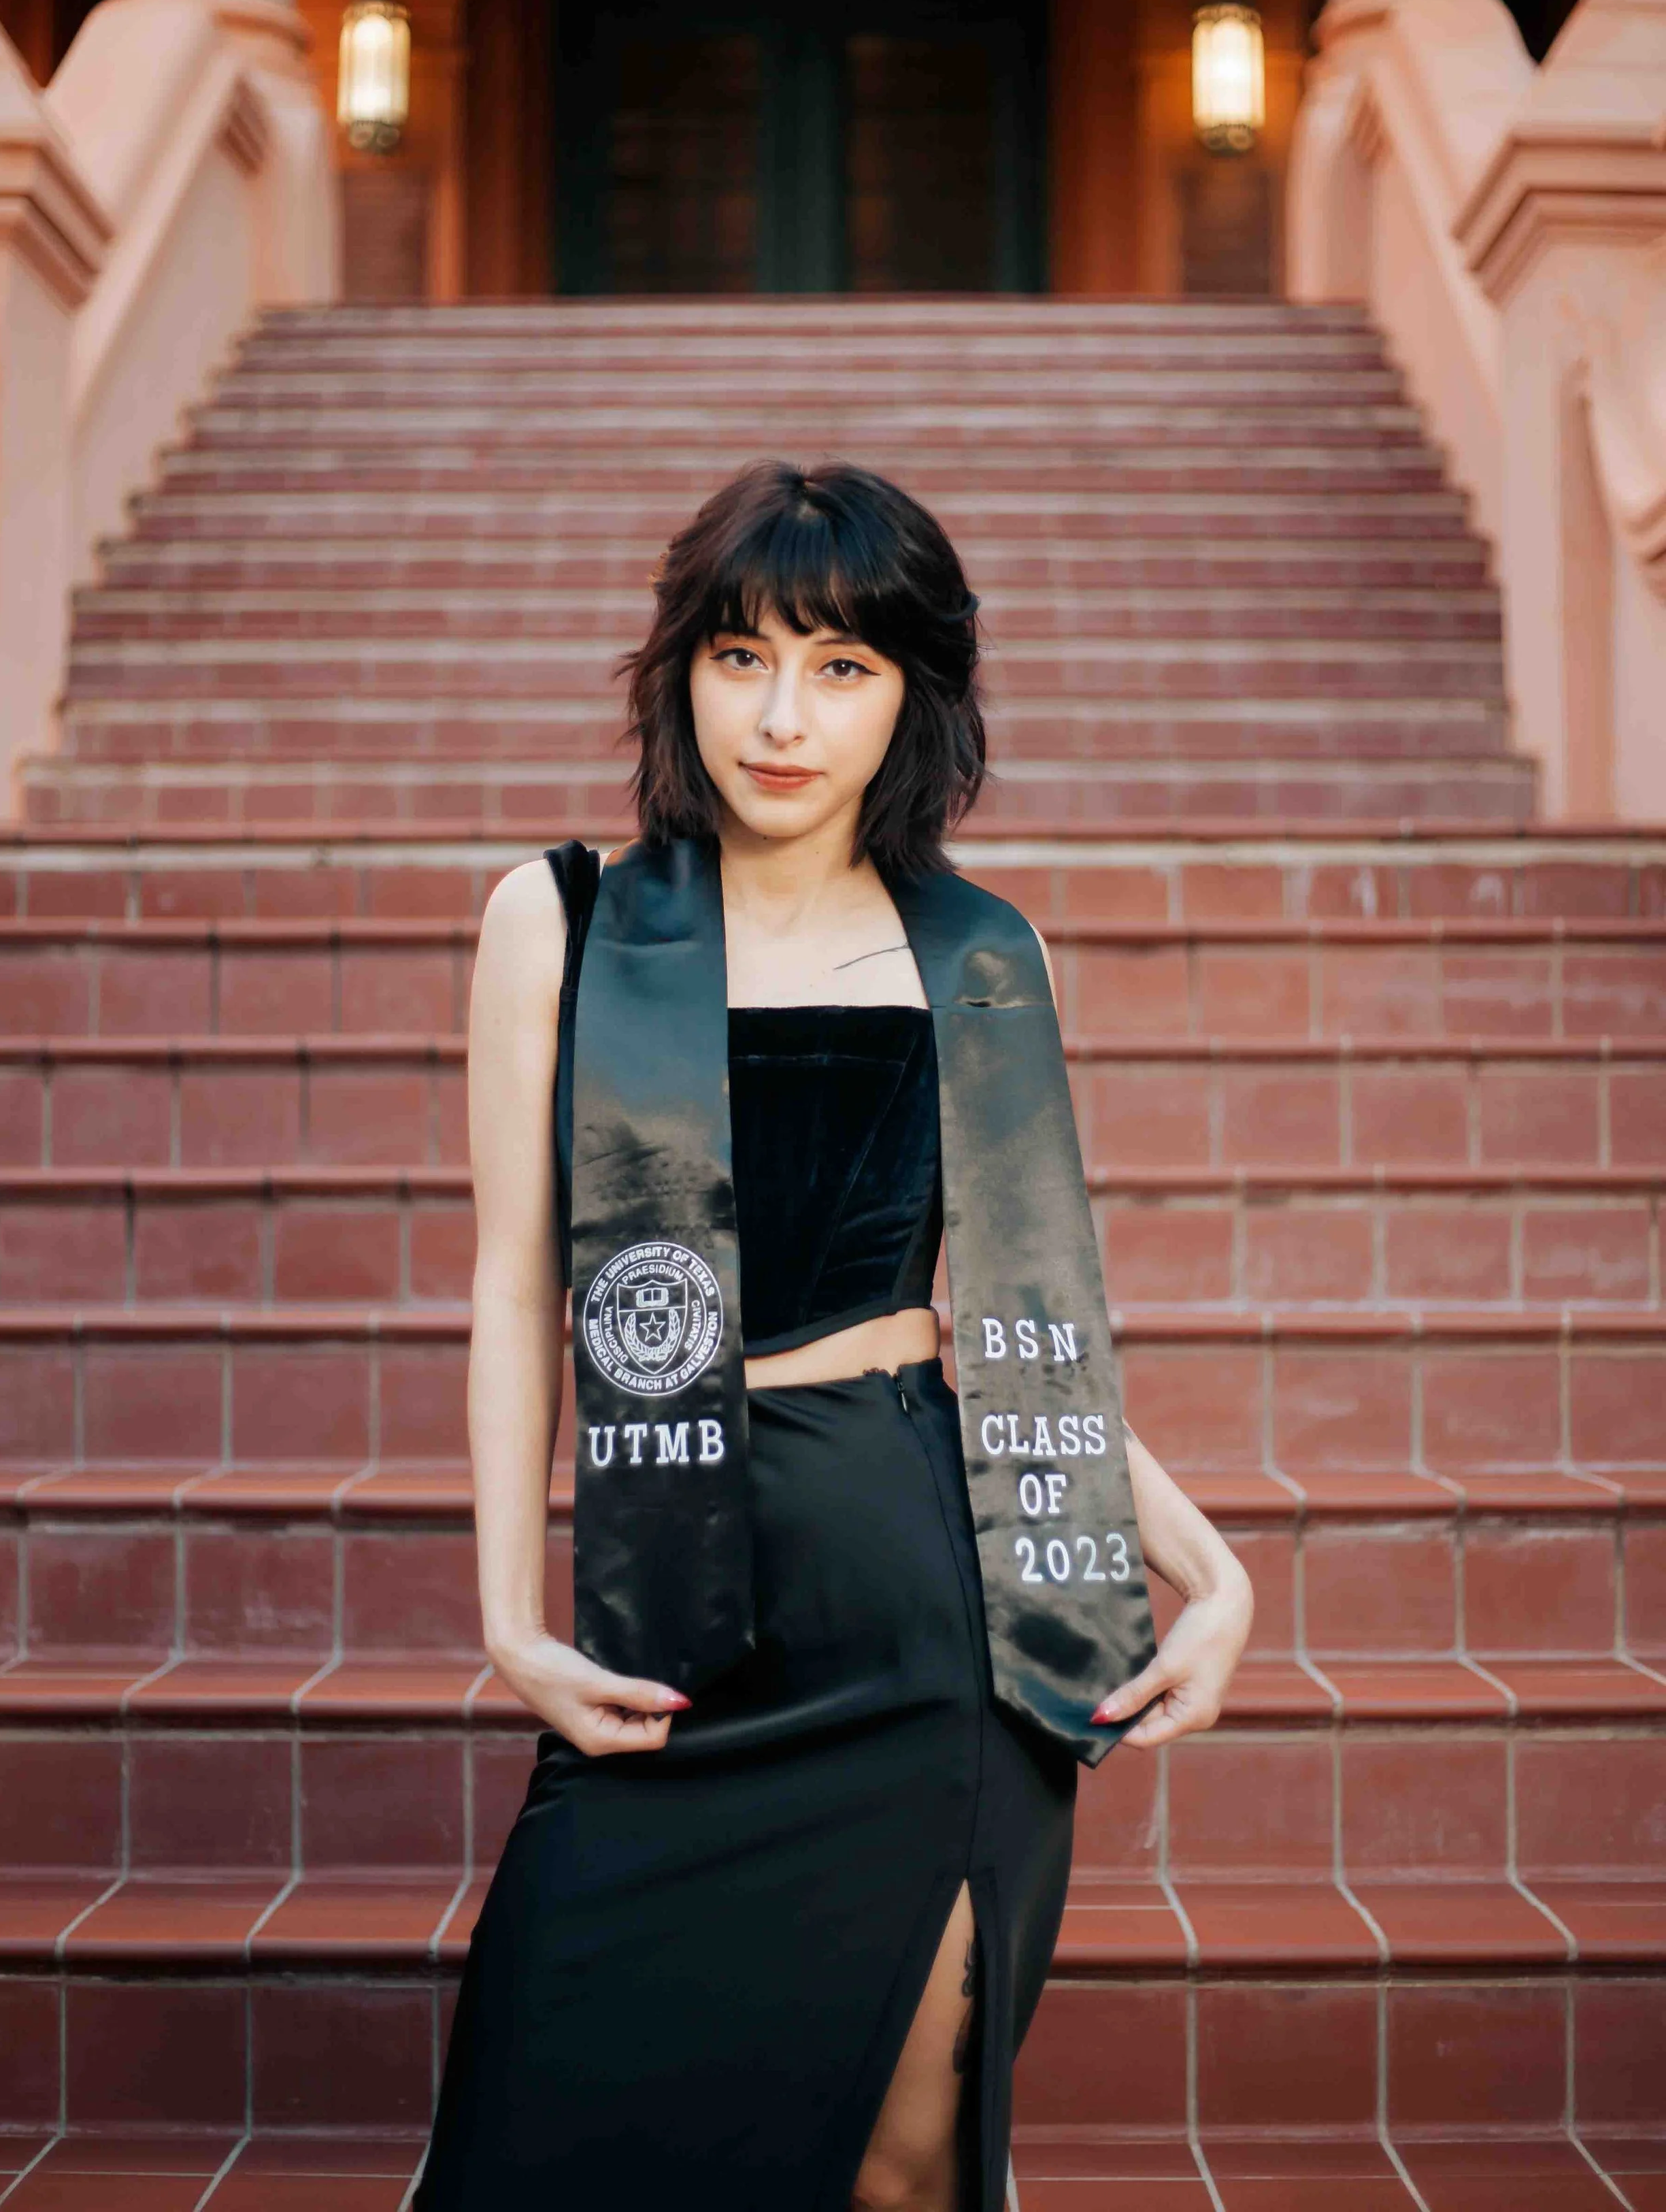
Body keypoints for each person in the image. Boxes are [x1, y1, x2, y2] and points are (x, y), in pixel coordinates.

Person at [412, 461, 1252, 2212]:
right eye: (740, 658)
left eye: (841, 668)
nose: (781, 720)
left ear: (911, 698)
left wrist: (1206, 1569)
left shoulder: (976, 953)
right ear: (680, 674)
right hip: (681, 1595)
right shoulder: (559, 921)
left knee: (900, 2159)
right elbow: (515, 1287)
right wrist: (504, 1618)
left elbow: (1012, 1326)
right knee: (538, 2123)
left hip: (924, 1613)